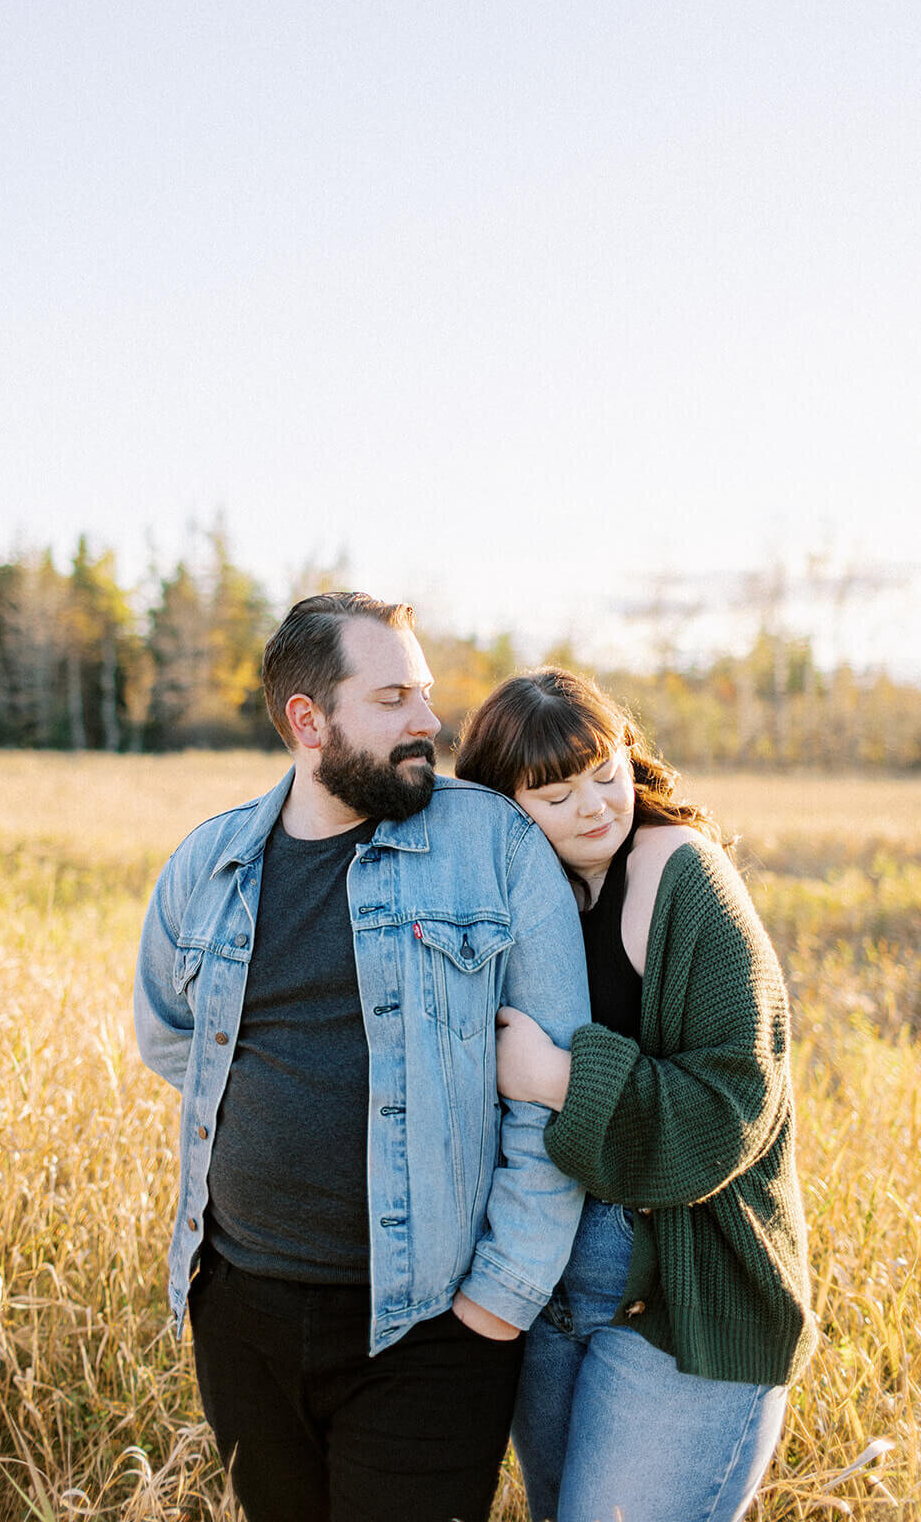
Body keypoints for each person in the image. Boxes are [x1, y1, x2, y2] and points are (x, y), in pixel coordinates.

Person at [133, 595, 590, 1522]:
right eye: (392, 698)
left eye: (422, 692)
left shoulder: (493, 846)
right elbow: (171, 1033)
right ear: (309, 721)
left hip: (430, 1328)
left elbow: (556, 1094)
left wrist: (497, 1300)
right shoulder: (209, 862)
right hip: (242, 1312)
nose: (429, 720)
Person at [456, 668, 816, 1522]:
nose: (594, 808)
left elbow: (734, 1105)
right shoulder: (501, 889)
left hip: (684, 1282)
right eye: (555, 793)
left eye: (607, 774)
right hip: (541, 1267)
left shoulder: (680, 876)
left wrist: (552, 1077)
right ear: (501, 804)